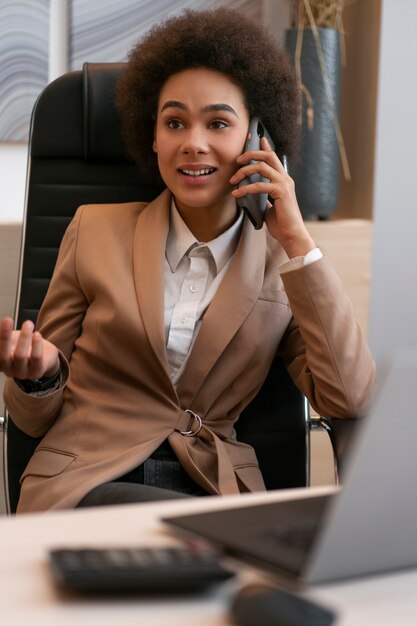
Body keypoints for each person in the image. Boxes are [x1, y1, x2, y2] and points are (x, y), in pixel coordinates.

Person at [0, 8, 376, 512]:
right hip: (87, 482)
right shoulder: (94, 229)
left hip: (211, 487)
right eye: (174, 122)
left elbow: (350, 398)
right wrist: (40, 375)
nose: (192, 143)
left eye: (218, 122)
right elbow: (30, 419)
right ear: (153, 136)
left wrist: (298, 242)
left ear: (256, 138)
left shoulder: (283, 265)